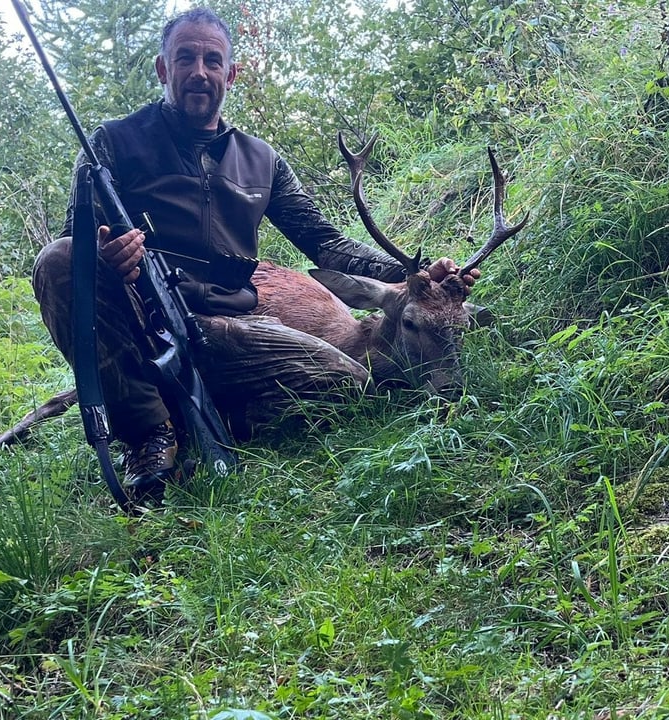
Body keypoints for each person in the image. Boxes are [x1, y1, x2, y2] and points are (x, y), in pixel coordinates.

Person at [32, 7, 477, 502]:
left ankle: (211, 414)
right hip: (143, 314)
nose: (199, 72)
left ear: (230, 74)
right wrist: (106, 251)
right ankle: (146, 433)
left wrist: (415, 276)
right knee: (59, 258)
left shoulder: (261, 159)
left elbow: (325, 243)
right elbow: (74, 237)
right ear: (163, 69)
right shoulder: (111, 144)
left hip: (229, 324)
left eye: (212, 60)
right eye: (185, 58)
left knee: (352, 384)